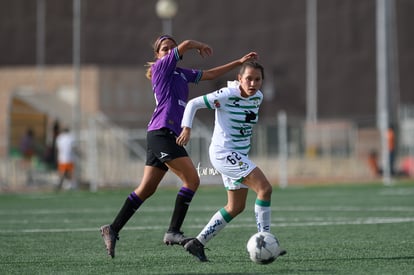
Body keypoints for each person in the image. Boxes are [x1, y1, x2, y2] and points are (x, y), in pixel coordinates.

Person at [99, 34, 258, 258]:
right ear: (157, 55)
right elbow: (185, 46)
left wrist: (239, 63)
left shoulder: (180, 74)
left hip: (164, 135)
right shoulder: (161, 68)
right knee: (192, 179)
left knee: (146, 189)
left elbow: (210, 74)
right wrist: (197, 44)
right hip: (161, 132)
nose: (170, 51)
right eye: (165, 48)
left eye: (171, 48)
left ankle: (112, 229)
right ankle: (173, 232)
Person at [178, 61, 286, 262]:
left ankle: (197, 243)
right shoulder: (227, 95)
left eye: (257, 79)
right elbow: (193, 104)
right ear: (239, 79)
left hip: (238, 155)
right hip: (224, 153)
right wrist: (186, 128)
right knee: (265, 189)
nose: (253, 83)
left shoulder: (258, 97)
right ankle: (266, 240)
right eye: (248, 79)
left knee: (235, 207)